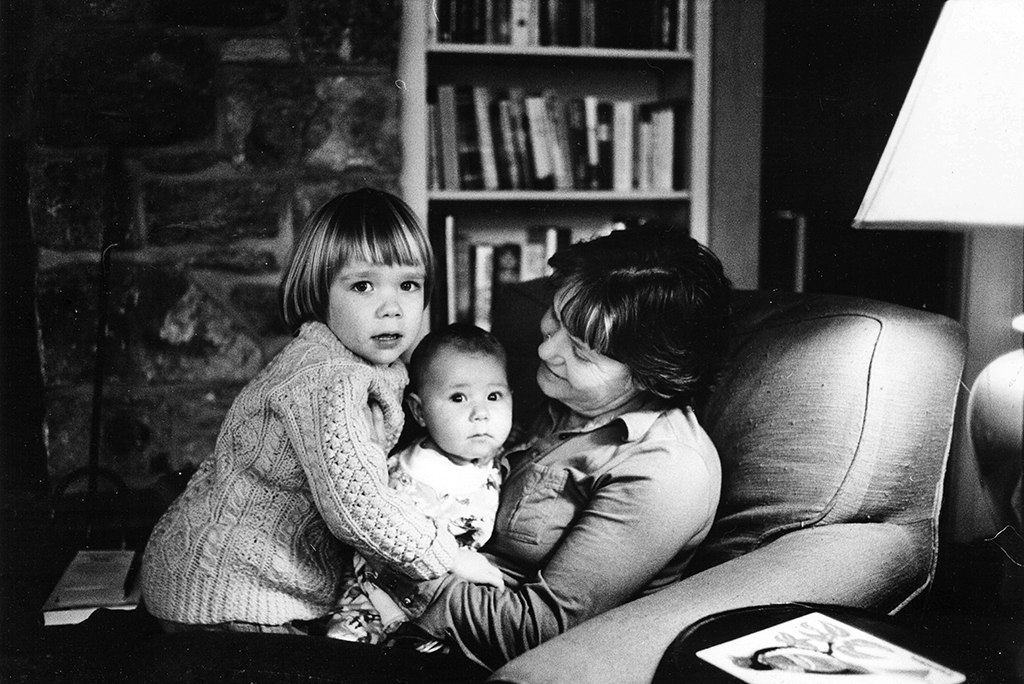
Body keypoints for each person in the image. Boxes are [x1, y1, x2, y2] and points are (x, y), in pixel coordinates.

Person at [139, 188, 502, 634]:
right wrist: (450, 555)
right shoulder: (330, 377)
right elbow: (356, 505)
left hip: (228, 580)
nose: (391, 308)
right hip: (229, 593)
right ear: (319, 292)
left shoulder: (365, 365)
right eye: (363, 285)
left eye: (408, 285)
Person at [370, 223, 731, 669]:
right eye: (556, 318)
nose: (547, 350)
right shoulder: (538, 384)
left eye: (580, 350)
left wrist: (395, 564)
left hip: (449, 645)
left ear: (648, 373)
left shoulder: (666, 470)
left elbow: (535, 630)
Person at [326, 323, 512, 644]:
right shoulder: (409, 475)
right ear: (419, 411)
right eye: (458, 398)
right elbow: (374, 543)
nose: (481, 413)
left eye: (493, 396)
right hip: (377, 598)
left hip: (445, 608)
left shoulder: (494, 458)